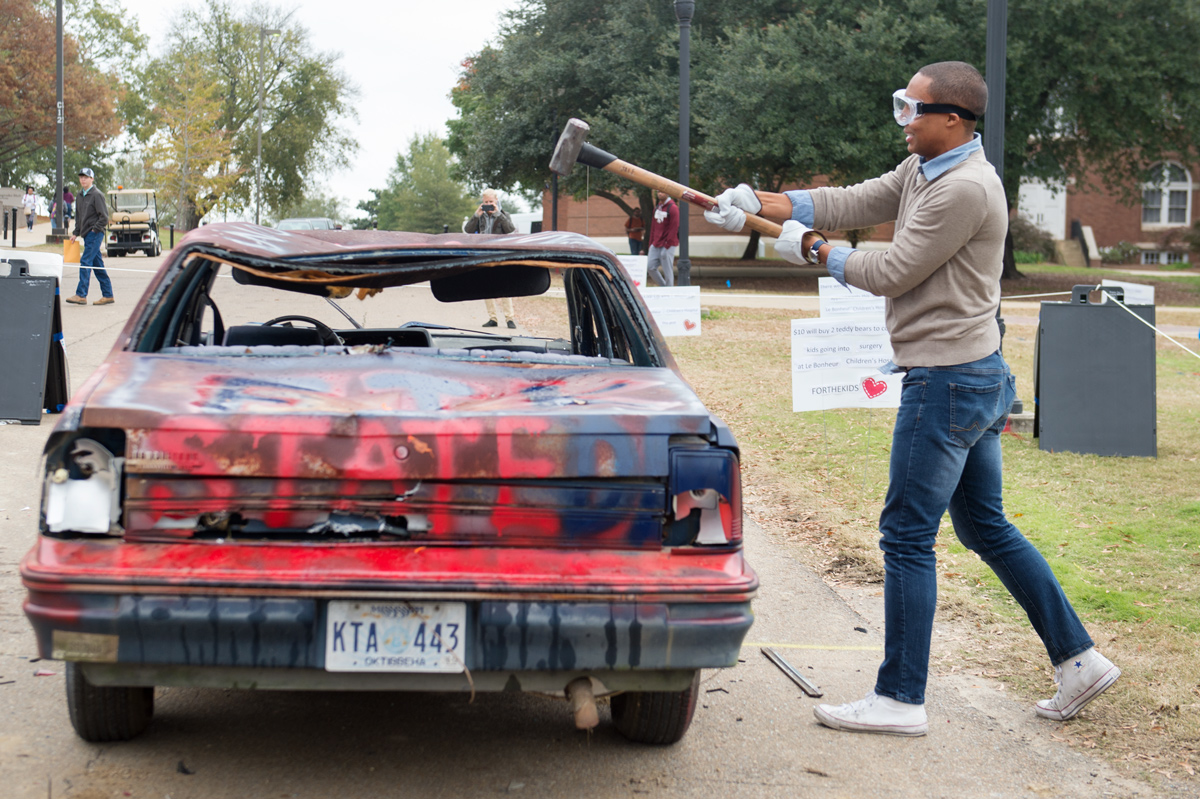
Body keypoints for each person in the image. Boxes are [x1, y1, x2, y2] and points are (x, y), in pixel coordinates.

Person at [705, 61, 1119, 737]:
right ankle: (1079, 658)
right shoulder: (923, 170)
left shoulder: (966, 189)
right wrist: (758, 202)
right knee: (985, 525)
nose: (902, 118)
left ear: (952, 118)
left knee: (905, 534)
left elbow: (890, 270)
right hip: (973, 374)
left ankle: (900, 697)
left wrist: (809, 249)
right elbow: (849, 201)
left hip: (948, 381)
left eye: (912, 107)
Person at [464, 188, 517, 328]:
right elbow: (468, 230)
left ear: (496, 201)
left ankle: (509, 318)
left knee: (505, 286)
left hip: (500, 254)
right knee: (487, 286)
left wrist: (498, 214)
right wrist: (476, 214)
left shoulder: (504, 215)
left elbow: (510, 229)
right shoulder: (480, 216)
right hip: (484, 254)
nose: (488, 204)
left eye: (491, 201)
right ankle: (492, 318)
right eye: (486, 202)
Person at [66, 167, 115, 306]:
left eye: (86, 177)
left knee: (85, 261)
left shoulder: (97, 194)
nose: (83, 179)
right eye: (81, 177)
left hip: (95, 234)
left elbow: (104, 217)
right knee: (97, 264)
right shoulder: (79, 195)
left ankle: (81, 295)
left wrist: (94, 230)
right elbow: (79, 217)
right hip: (86, 234)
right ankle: (108, 294)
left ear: (92, 179)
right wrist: (75, 233)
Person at [646, 189, 679, 286]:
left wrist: (667, 244)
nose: (660, 194)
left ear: (668, 193)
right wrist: (651, 243)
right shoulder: (657, 208)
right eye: (658, 192)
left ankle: (669, 290)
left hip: (668, 244)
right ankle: (663, 287)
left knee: (667, 271)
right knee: (650, 267)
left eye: (662, 192)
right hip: (655, 243)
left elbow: (674, 227)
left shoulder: (673, 208)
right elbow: (653, 227)